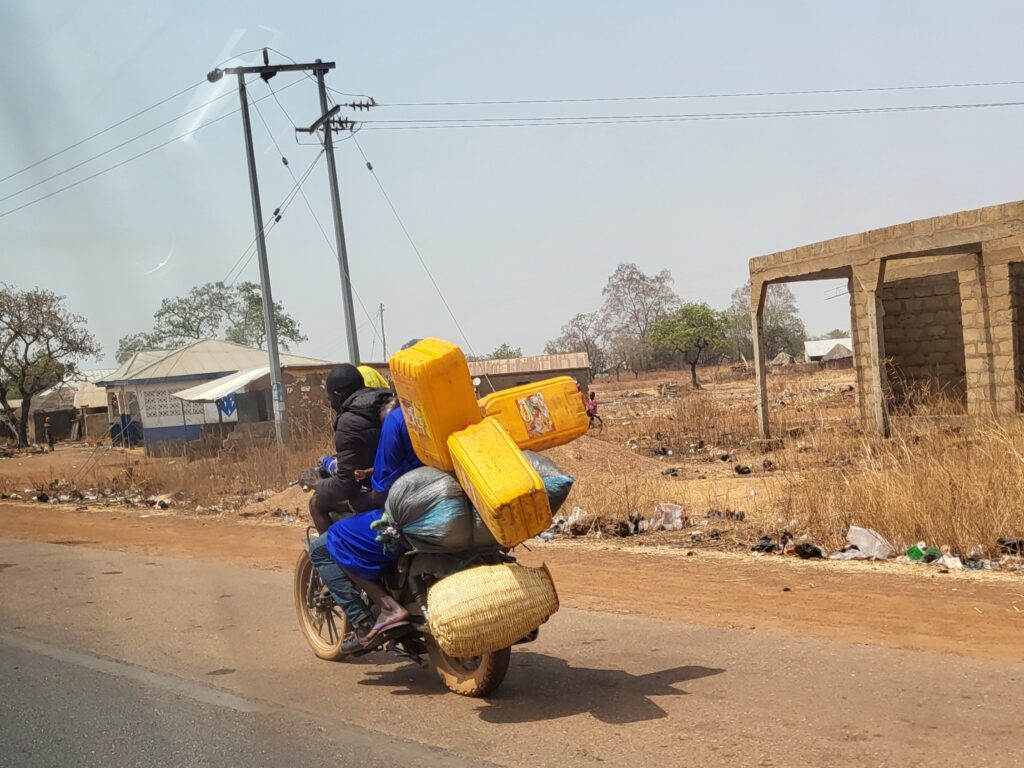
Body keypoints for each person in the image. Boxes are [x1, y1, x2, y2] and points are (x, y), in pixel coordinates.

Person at [307, 405, 423, 652]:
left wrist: (331, 487)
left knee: (328, 543)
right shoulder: (435, 413)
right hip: (435, 498)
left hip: (406, 511)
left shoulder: (394, 421)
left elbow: (379, 493)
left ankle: (370, 618)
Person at [304, 364, 392, 534]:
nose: (330, 404)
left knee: (316, 504)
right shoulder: (388, 402)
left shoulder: (349, 421)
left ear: (338, 395)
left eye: (329, 399)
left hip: (378, 495)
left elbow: (346, 486)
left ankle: (332, 555)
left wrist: (316, 483)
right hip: (396, 483)